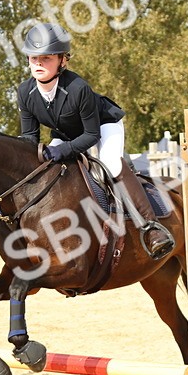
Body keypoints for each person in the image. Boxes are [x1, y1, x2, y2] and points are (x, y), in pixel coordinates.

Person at [16, 22, 174, 259]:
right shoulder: (25, 92)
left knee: (110, 162)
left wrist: (64, 150)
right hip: (67, 133)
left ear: (62, 61)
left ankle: (151, 227)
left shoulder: (78, 88)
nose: (38, 63)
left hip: (103, 125)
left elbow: (91, 136)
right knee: (46, 166)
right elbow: (29, 138)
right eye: (34, 58)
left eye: (46, 58)